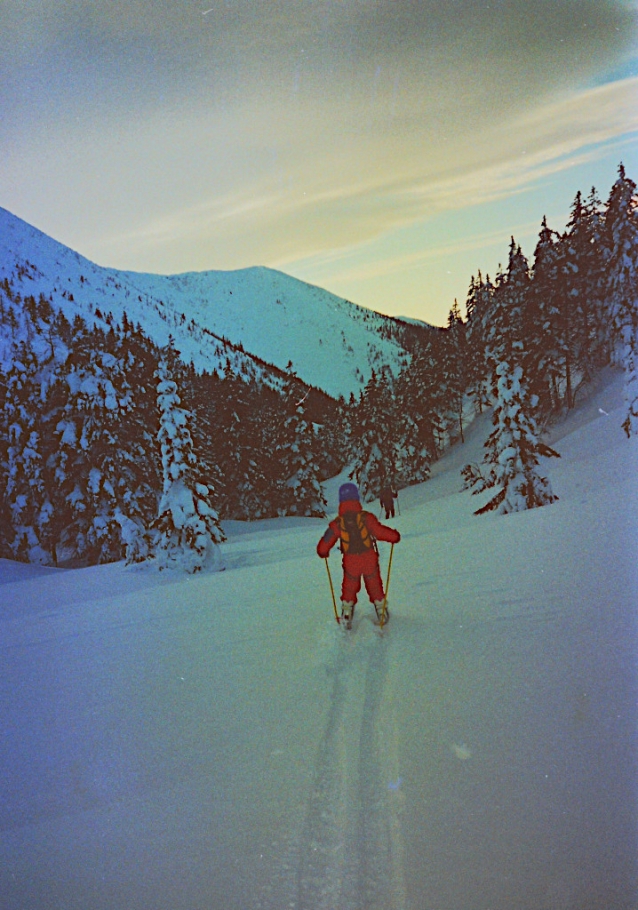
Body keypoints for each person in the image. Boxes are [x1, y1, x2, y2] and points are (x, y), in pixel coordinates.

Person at [317, 482, 400, 627]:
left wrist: (323, 551)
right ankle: (380, 608)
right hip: (368, 557)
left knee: (349, 585)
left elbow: (325, 542)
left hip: (351, 560)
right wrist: (394, 536)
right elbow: (379, 531)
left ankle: (347, 611)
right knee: (374, 583)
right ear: (356, 498)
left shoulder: (337, 523)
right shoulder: (366, 517)